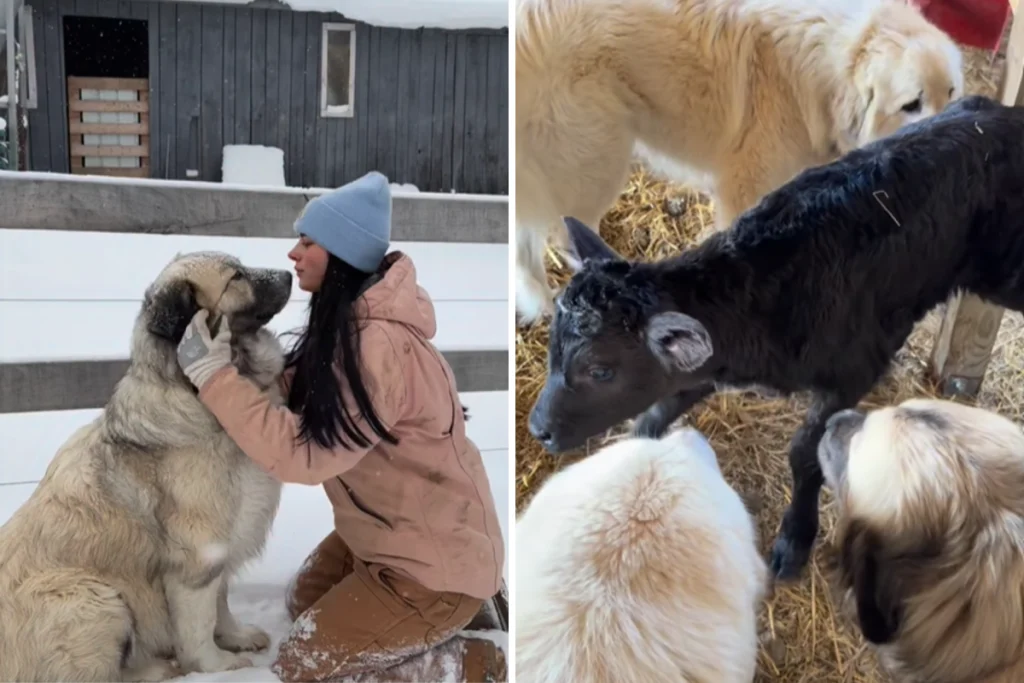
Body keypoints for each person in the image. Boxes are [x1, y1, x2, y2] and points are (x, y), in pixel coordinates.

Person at [174, 171, 506, 681]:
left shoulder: (376, 348)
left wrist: (215, 379)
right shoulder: (349, 322)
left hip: (427, 568)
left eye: (308, 242)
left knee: (302, 666)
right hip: (390, 532)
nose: (294, 253)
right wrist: (237, 367)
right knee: (302, 600)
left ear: (342, 255)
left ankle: (480, 660)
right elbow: (301, 388)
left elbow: (305, 456)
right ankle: (461, 604)